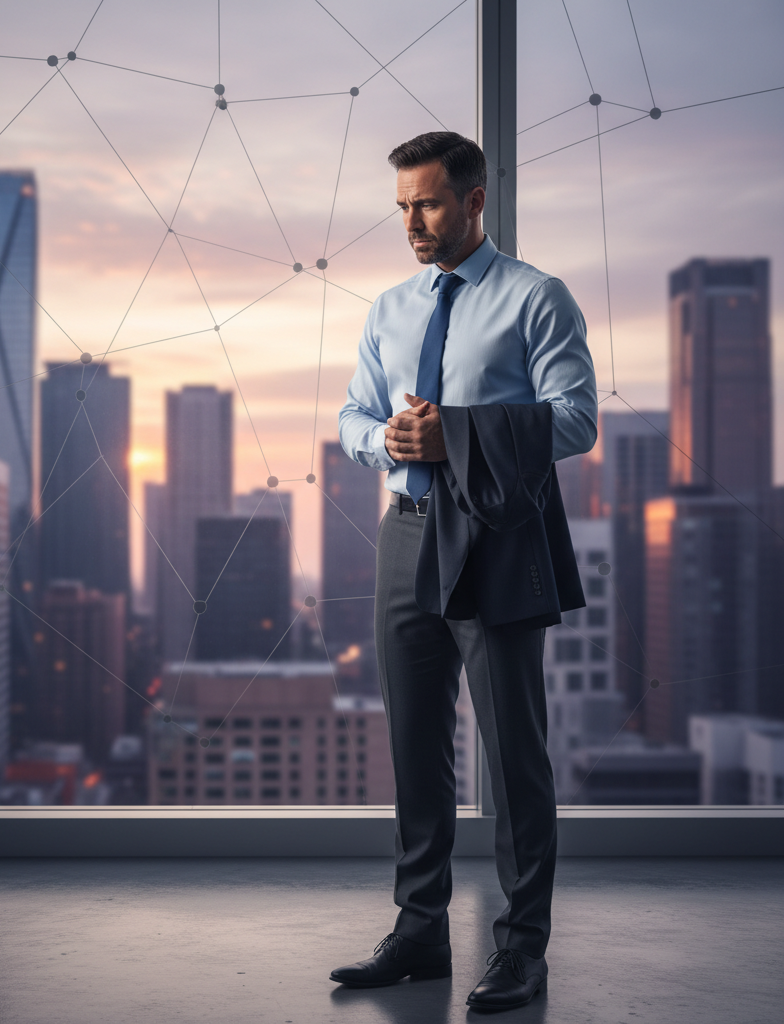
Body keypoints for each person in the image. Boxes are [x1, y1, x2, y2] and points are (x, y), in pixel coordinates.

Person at [330, 131, 597, 1012]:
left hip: (493, 536)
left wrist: (461, 432)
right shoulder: (389, 307)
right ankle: (418, 932)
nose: (412, 221)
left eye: (430, 203)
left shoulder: (535, 299)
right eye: (403, 205)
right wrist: (389, 440)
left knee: (514, 751)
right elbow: (354, 418)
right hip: (406, 533)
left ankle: (523, 949)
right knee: (415, 743)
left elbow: (575, 420)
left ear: (476, 200)